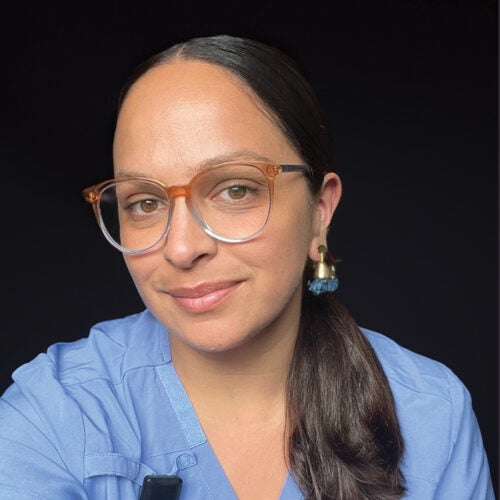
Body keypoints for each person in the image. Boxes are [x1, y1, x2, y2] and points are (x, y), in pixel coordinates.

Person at [0, 34, 494, 500]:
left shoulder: (429, 413)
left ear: (319, 211)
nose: (181, 248)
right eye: (145, 202)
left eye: (235, 189)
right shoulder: (57, 413)